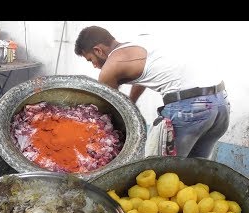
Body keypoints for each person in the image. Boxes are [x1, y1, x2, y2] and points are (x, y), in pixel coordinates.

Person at [74, 25, 230, 159]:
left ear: (98, 50)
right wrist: (131, 102)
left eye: (90, 59)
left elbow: (110, 113)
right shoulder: (142, 41)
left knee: (162, 174)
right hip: (220, 103)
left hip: (189, 110)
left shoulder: (110, 68)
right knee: (196, 169)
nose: (94, 66)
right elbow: (141, 78)